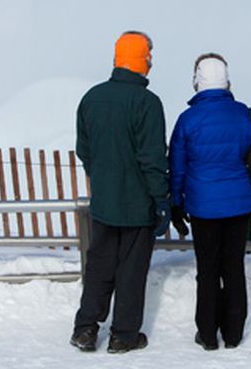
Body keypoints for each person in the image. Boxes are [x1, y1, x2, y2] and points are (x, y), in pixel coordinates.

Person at [168, 53, 251, 351]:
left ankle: (207, 334)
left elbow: (177, 166)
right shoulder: (245, 113)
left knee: (207, 270)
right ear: (227, 81)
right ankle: (233, 334)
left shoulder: (187, 119)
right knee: (233, 267)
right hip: (238, 205)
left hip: (202, 206)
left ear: (197, 82)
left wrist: (176, 203)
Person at [70, 31, 171, 354]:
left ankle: (85, 329)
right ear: (142, 60)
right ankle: (123, 335)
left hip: (104, 201)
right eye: (150, 57)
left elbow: (83, 149)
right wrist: (161, 200)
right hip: (137, 204)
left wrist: (101, 177)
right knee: (131, 269)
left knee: (99, 264)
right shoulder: (147, 103)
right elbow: (152, 159)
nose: (152, 63)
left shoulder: (91, 97)